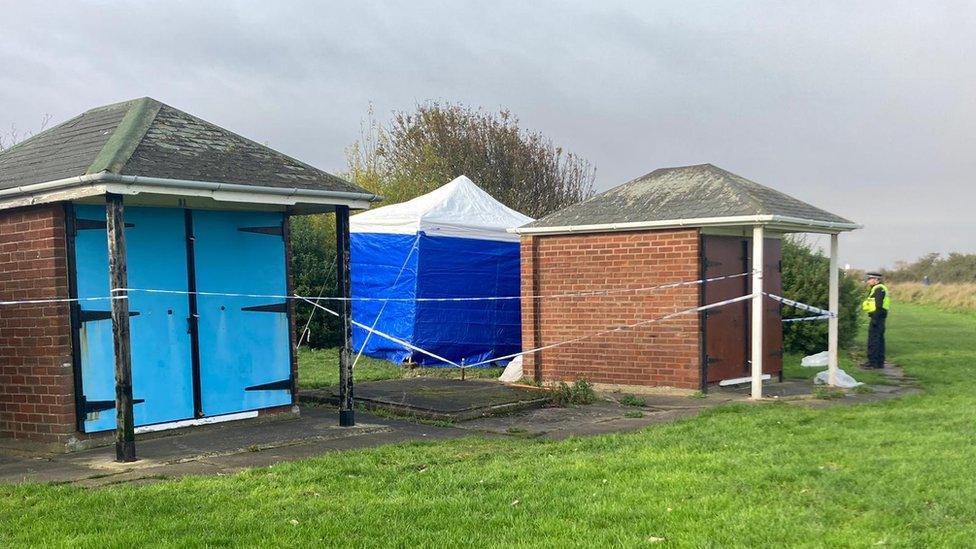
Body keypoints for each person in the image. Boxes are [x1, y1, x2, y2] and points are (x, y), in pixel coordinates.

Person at [861, 272, 891, 369]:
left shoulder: (879, 289)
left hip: (877, 317)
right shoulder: (878, 288)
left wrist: (874, 318)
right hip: (879, 317)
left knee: (874, 340)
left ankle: (872, 362)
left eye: (870, 279)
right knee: (879, 340)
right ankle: (879, 362)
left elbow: (878, 305)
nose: (868, 281)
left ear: (876, 280)